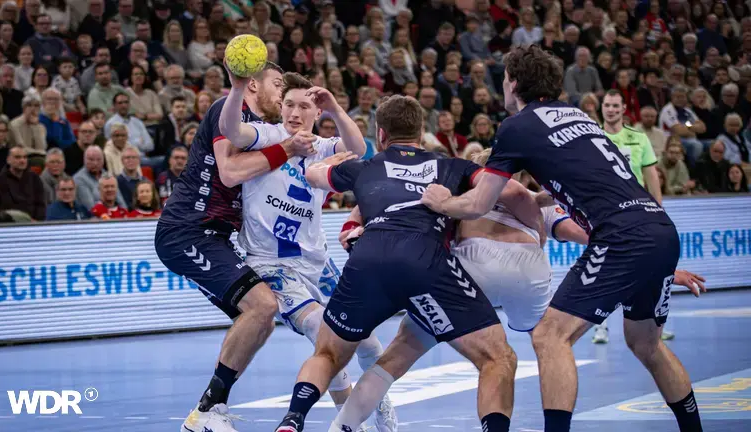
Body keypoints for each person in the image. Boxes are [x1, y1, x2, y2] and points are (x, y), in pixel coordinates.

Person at [420, 45, 704, 432]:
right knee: (646, 344)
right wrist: (539, 197)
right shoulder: (580, 118)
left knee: (550, 336)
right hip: (659, 229)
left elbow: (477, 204)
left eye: (504, 80)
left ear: (513, 83)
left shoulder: (517, 126)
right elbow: (585, 180)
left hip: (622, 237)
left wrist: (442, 202)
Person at [331, 151, 707, 432]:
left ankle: (343, 425)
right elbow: (591, 237)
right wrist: (661, 268)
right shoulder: (531, 202)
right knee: (551, 341)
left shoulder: (455, 195)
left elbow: (400, 218)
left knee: (404, 349)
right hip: (528, 270)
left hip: (472, 264)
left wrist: (359, 230)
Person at [273, 95, 534, 432]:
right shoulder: (452, 167)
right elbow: (512, 192)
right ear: (421, 131)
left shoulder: (365, 168)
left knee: (327, 354)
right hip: (425, 264)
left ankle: (292, 420)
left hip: (368, 261)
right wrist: (538, 224)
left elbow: (313, 175)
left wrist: (329, 165)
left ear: (381, 134)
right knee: (498, 357)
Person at [227, 72, 396, 431]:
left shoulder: (322, 145)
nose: (295, 112)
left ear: (316, 113)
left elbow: (360, 148)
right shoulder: (267, 136)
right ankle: (352, 420)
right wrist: (237, 87)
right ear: (281, 107)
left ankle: (382, 403)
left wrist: (334, 107)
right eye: (289, 104)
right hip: (271, 264)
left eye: (305, 106)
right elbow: (231, 131)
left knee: (366, 340)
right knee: (323, 331)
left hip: (317, 263)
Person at [154, 61, 317, 432]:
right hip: (187, 231)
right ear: (254, 85)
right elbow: (229, 172)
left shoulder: (264, 131)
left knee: (260, 321)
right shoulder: (228, 110)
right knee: (261, 306)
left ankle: (209, 411)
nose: (283, 94)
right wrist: (289, 148)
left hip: (216, 236)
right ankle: (207, 411)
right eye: (278, 84)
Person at [596, 89, 670, 344]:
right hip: (605, 212)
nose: (611, 110)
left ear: (623, 109)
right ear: (601, 108)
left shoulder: (639, 139)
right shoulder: (593, 137)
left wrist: (659, 211)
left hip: (638, 212)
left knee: (650, 267)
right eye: (607, 105)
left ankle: (654, 323)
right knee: (602, 268)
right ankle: (600, 326)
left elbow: (651, 177)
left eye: (615, 106)